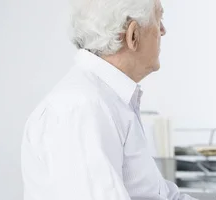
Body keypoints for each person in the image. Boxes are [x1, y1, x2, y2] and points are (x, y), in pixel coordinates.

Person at [20, 0, 196, 199]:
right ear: (133, 35)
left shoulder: (109, 100)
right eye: (158, 18)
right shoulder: (81, 108)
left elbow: (159, 196)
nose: (163, 30)